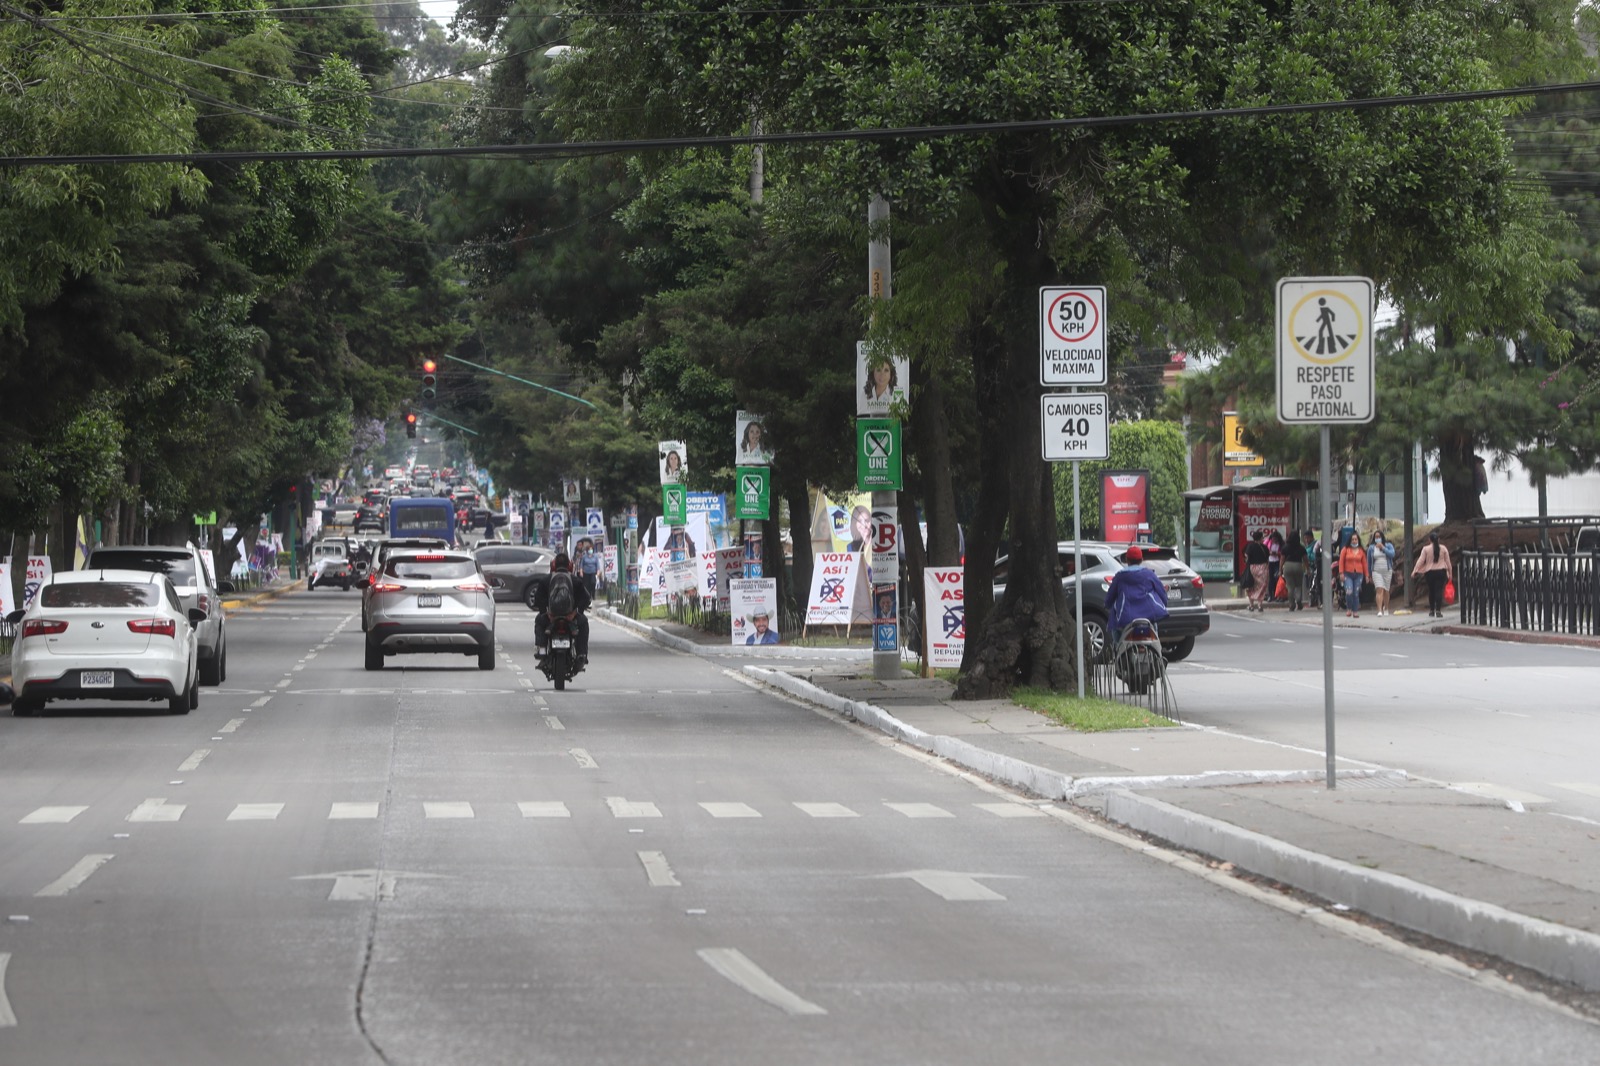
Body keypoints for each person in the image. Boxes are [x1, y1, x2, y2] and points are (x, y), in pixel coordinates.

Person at [533, 551, 592, 665]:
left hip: (551, 617)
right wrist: (575, 613)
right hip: (571, 617)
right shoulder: (576, 581)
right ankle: (582, 654)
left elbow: (538, 599)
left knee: (539, 621)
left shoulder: (546, 580)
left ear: (553, 565)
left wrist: (546, 613)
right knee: (583, 623)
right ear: (570, 566)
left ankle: (542, 649)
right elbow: (586, 598)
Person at [1106, 545, 1170, 644]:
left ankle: (1117, 651)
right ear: (1141, 559)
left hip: (1125, 619)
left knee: (1115, 630)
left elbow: (1109, 599)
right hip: (1149, 617)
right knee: (1154, 630)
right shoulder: (1149, 574)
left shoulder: (1120, 577)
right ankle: (1158, 655)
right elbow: (1161, 593)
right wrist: (1164, 604)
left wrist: (1107, 605)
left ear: (1127, 560)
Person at [1412, 531, 1454, 618]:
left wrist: (1415, 570)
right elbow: (1448, 563)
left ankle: (1431, 610)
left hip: (1430, 572)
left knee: (1431, 591)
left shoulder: (1426, 549)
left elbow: (1420, 560)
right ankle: (1438, 610)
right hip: (1441, 571)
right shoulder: (1443, 548)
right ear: (1439, 539)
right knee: (1439, 591)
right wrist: (1450, 573)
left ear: (1429, 540)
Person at [1338, 532, 1370, 618]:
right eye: (1353, 539)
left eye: (1356, 539)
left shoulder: (1361, 551)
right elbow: (1341, 561)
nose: (1354, 541)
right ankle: (1349, 608)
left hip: (1359, 574)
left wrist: (1367, 575)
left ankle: (1355, 611)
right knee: (1349, 591)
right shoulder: (1345, 549)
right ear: (1350, 540)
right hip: (1347, 574)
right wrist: (1341, 573)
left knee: (1356, 593)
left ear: (1358, 540)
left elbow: (1364, 564)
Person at [1368, 530, 1397, 616]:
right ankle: (1379, 610)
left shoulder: (1388, 545)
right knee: (1379, 589)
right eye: (1376, 537)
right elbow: (1369, 562)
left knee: (1386, 590)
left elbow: (1392, 554)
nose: (1377, 539)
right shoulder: (1371, 548)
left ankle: (1386, 608)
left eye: (1379, 537)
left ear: (1382, 537)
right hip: (1376, 571)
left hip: (1387, 570)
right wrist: (1369, 574)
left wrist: (1383, 548)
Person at [1243, 530, 1270, 612]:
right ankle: (1260, 605)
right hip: (1263, 568)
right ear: (1261, 538)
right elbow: (1267, 558)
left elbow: (1246, 556)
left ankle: (1251, 605)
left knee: (1251, 586)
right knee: (1262, 586)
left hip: (1253, 568)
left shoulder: (1250, 546)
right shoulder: (1264, 547)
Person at [1281, 530, 1307, 612]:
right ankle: (1299, 601)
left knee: (1290, 586)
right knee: (1298, 585)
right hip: (1298, 566)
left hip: (1288, 566)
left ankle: (1291, 604)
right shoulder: (1301, 547)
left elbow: (1282, 559)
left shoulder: (1285, 547)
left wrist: (1280, 569)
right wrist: (1308, 568)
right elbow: (1305, 559)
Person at [1266, 529, 1283, 602]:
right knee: (1271, 579)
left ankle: (1277, 594)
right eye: (1273, 538)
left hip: (1277, 562)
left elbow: (1282, 554)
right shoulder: (1268, 543)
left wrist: (1277, 554)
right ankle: (1270, 595)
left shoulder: (1281, 544)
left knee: (1277, 578)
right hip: (1270, 562)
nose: (1274, 540)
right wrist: (1269, 553)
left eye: (1275, 539)